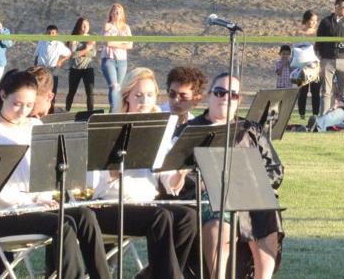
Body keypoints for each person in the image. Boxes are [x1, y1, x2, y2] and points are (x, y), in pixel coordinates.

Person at [0, 71, 111, 279]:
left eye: (29, 105)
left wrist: (44, 197)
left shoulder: (34, 126)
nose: (23, 111)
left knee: (85, 216)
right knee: (63, 224)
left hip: (31, 207)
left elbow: (41, 175)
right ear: (3, 95)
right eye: (17, 104)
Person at [92, 68, 197, 279]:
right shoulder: (111, 126)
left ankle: (152, 275)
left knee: (188, 217)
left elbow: (168, 179)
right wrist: (113, 171)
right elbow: (92, 186)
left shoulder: (160, 125)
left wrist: (181, 171)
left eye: (150, 95)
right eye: (138, 95)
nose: (144, 100)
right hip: (109, 205)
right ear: (127, 97)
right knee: (160, 217)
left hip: (145, 205)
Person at [191, 73, 283, 279]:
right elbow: (181, 174)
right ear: (209, 96)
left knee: (266, 213)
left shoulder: (250, 130)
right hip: (211, 199)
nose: (225, 98)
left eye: (232, 94)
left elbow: (275, 169)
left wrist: (253, 182)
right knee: (218, 227)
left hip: (250, 195)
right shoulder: (192, 131)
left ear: (239, 100)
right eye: (220, 92)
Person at [316, 0, 344, 110]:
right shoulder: (325, 22)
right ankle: (324, 119)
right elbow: (318, 41)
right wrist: (320, 57)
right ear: (336, 7)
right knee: (326, 92)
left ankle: (342, 118)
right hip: (327, 60)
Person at [101, 2, 133, 112]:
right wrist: (122, 44)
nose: (117, 13)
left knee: (119, 88)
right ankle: (114, 110)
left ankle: (117, 109)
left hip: (122, 60)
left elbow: (130, 45)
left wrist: (117, 43)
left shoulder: (126, 28)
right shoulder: (108, 26)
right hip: (109, 59)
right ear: (111, 13)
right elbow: (108, 43)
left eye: (120, 11)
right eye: (115, 10)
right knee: (114, 86)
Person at [292, 10, 322, 118]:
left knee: (315, 91)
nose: (313, 23)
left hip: (314, 65)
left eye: (315, 20)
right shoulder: (299, 32)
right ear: (306, 20)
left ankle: (315, 114)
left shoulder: (318, 32)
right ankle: (302, 114)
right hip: (302, 65)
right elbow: (295, 47)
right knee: (303, 91)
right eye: (311, 20)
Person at [65, 17, 97, 112]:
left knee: (90, 92)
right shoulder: (73, 38)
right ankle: (67, 110)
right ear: (79, 26)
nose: (85, 27)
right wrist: (87, 49)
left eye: (86, 25)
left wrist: (83, 51)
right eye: (83, 25)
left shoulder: (91, 38)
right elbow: (73, 54)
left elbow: (93, 54)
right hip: (75, 69)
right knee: (72, 91)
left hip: (88, 68)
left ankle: (90, 113)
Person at [33, 24, 71, 98]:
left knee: (52, 90)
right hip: (41, 69)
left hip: (53, 69)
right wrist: (35, 67)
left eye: (53, 33)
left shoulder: (59, 44)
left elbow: (69, 53)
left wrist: (60, 61)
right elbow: (37, 55)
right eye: (48, 33)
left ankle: (51, 107)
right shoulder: (41, 42)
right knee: (39, 88)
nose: (50, 35)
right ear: (46, 34)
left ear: (56, 34)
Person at [165, 65, 207, 131]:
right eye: (172, 94)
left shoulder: (194, 127)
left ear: (196, 100)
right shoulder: (154, 119)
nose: (176, 100)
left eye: (183, 96)